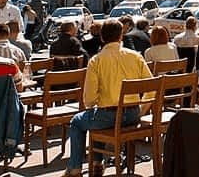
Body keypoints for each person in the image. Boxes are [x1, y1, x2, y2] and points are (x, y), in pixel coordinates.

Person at [62, 19, 154, 177]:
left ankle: (76, 167)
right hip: (132, 114)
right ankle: (97, 163)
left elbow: (89, 99)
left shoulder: (96, 61)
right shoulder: (135, 57)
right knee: (94, 116)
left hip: (107, 115)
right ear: (121, 36)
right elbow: (152, 88)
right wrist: (141, 109)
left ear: (102, 38)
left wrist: (93, 104)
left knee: (78, 121)